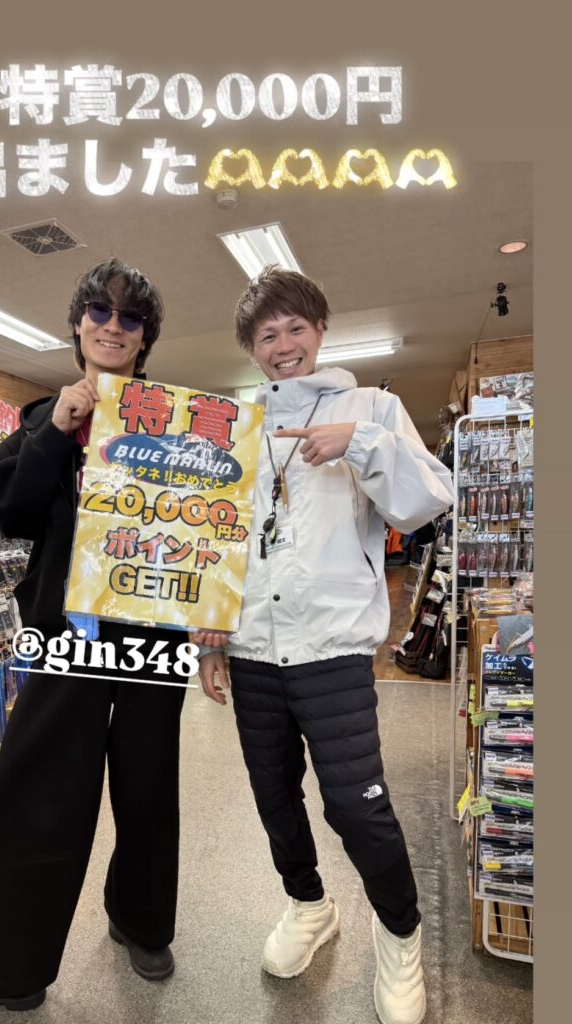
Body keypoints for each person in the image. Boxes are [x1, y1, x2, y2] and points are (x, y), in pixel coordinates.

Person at [0, 258, 188, 1017]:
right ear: (77, 324)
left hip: (154, 634)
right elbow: (6, 512)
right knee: (36, 789)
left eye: (130, 318)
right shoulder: (43, 418)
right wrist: (57, 430)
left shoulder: (175, 421)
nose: (114, 326)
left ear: (145, 337)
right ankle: (7, 971)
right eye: (100, 312)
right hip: (65, 632)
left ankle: (141, 920)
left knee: (148, 785)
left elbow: (209, 536)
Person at [195, 266, 453, 1024]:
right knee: (273, 796)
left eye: (295, 328)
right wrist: (209, 632)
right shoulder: (233, 428)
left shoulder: (372, 407)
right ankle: (309, 904)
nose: (283, 345)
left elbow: (427, 500)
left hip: (332, 647)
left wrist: (361, 444)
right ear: (250, 348)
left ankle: (399, 932)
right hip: (251, 648)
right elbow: (217, 536)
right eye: (266, 335)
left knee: (357, 807)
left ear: (320, 331)